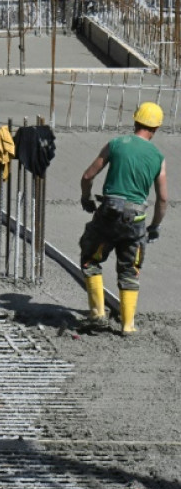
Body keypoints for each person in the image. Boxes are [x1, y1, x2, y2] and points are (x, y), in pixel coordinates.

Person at [78, 102, 168, 336]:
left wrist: (86, 198)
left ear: (135, 121)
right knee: (130, 270)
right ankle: (128, 325)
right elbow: (162, 199)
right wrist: (155, 227)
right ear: (156, 128)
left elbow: (87, 176)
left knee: (91, 258)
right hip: (136, 219)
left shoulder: (116, 144)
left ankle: (98, 313)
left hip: (109, 213)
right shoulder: (158, 157)